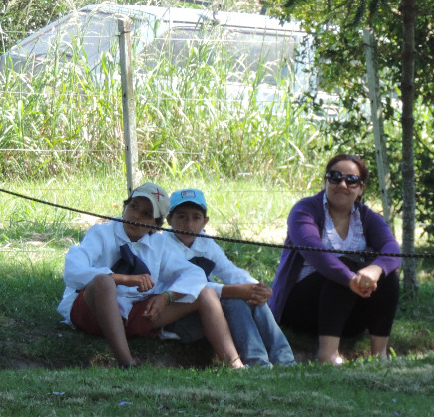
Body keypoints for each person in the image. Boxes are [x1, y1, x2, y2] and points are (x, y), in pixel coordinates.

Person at [58, 181, 244, 369]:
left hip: (136, 313)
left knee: (206, 293)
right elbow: (72, 269)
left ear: (155, 225)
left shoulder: (158, 244)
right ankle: (127, 363)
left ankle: (235, 364)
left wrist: (166, 297)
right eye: (133, 206)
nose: (136, 216)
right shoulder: (101, 233)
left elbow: (195, 274)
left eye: (147, 214)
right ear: (124, 207)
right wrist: (122, 279)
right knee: (103, 283)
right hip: (92, 312)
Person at [268, 154, 401, 364]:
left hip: (347, 312)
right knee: (344, 266)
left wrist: (375, 270)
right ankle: (328, 355)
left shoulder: (367, 217)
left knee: (388, 275)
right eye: (335, 177)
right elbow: (316, 254)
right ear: (326, 180)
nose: (342, 185)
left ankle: (379, 355)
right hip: (299, 309)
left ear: (361, 189)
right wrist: (350, 278)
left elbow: (392, 249)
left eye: (351, 180)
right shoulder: (304, 211)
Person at [160, 188, 296, 367]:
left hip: (209, 313)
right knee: (234, 301)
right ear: (169, 220)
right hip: (179, 321)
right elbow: (195, 288)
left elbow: (229, 270)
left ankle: (285, 359)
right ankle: (257, 362)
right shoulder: (163, 246)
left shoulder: (205, 241)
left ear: (205, 221)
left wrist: (257, 287)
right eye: (182, 217)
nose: (189, 224)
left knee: (254, 297)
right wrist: (237, 291)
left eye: (196, 217)